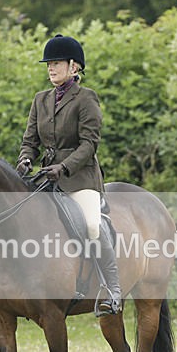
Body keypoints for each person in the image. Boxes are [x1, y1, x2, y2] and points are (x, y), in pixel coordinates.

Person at [16, 34, 121, 316]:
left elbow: (89, 144)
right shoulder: (40, 100)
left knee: (91, 225)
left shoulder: (86, 99)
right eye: (48, 64)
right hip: (46, 179)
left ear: (74, 67)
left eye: (57, 63)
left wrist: (63, 167)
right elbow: (30, 141)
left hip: (79, 179)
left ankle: (112, 290)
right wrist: (25, 159)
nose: (50, 68)